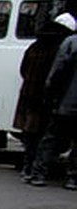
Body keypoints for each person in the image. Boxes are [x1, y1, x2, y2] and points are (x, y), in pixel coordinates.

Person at [16, 13, 76, 180]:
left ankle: (30, 169)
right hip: (51, 98)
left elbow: (24, 69)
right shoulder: (64, 45)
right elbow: (58, 73)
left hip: (30, 96)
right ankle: (59, 173)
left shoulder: (36, 45)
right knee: (49, 136)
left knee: (33, 135)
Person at [28, 27, 77, 189]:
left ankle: (38, 173)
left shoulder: (71, 42)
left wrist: (51, 96)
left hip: (65, 101)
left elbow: (57, 71)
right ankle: (72, 177)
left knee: (51, 138)